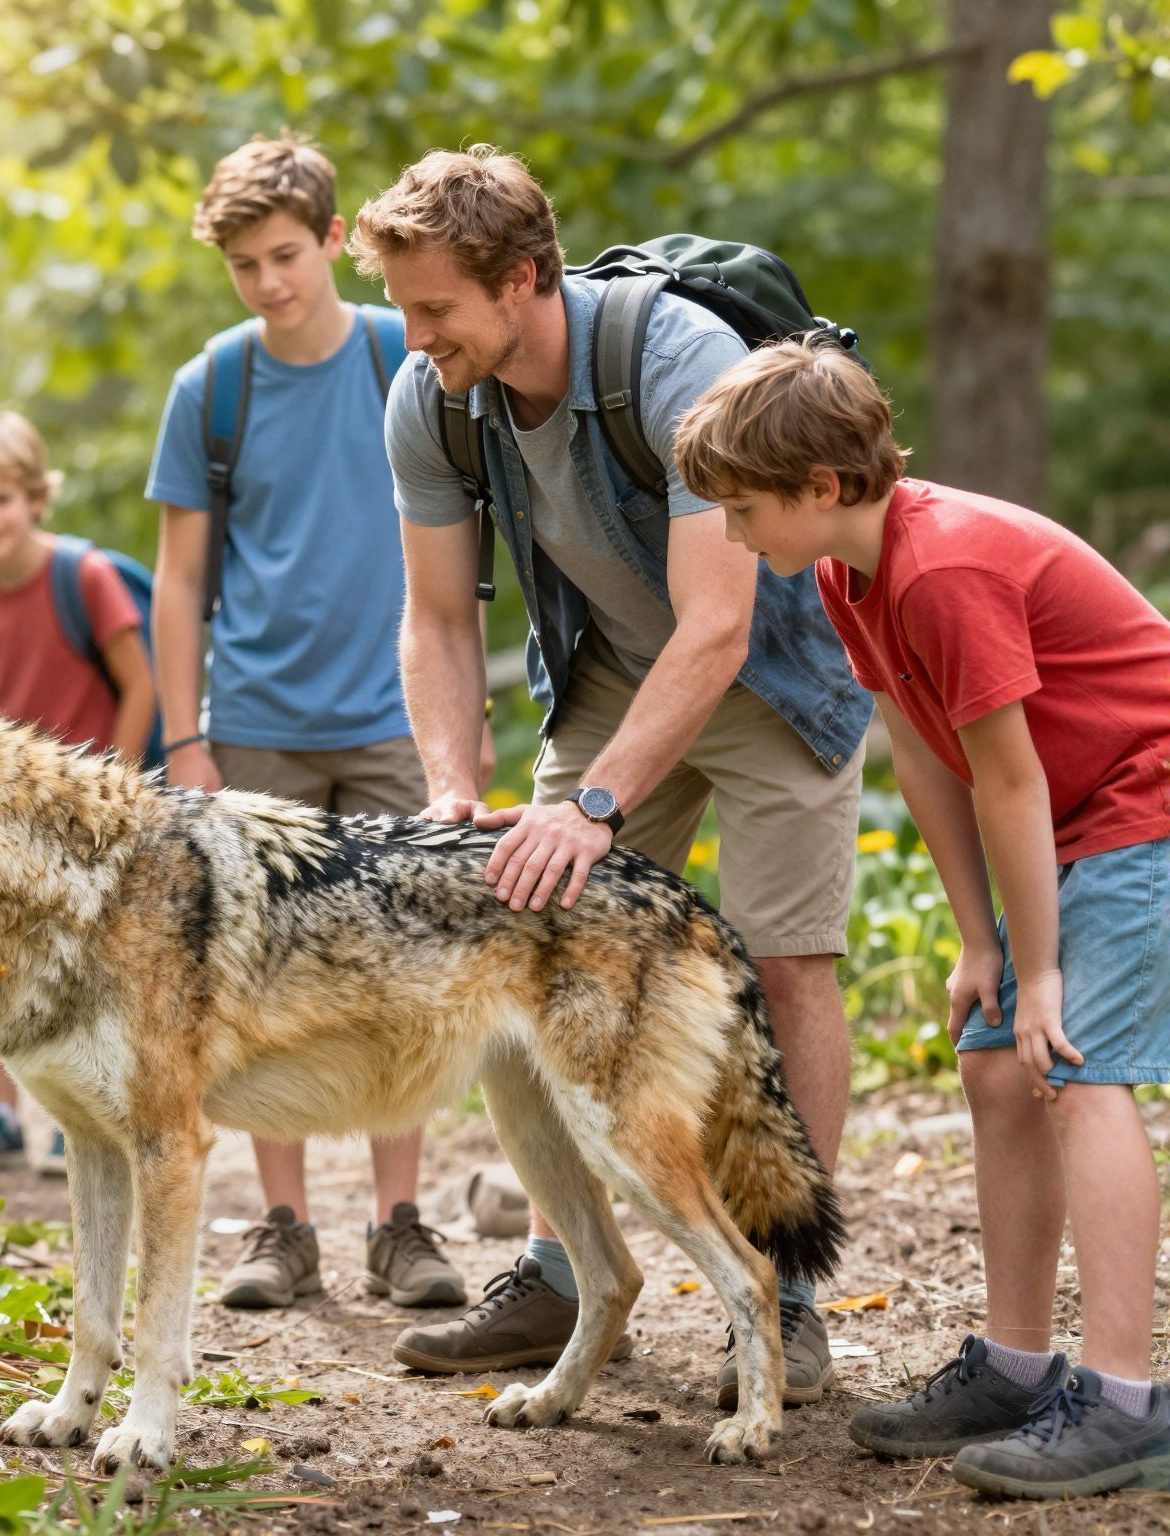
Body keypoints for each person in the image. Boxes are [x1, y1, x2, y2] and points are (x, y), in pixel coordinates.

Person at [350, 147, 870, 1397]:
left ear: (522, 279)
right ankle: (560, 1273)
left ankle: (788, 1298)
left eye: (434, 310)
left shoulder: (676, 354)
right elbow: (432, 618)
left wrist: (594, 808)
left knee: (781, 958)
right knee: (518, 940)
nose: (412, 336)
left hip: (766, 674)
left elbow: (718, 626)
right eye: (402, 307)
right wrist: (446, 785)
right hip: (605, 675)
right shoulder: (431, 397)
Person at [675, 338, 1170, 1499]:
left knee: (1075, 1071)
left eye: (744, 510)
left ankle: (1125, 1401)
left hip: (1139, 796)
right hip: (1064, 811)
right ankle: (1013, 1365)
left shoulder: (944, 567)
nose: (734, 536)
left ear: (822, 487)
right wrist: (981, 942)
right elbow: (930, 761)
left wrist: (1040, 973)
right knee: (993, 1071)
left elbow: (1007, 775)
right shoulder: (849, 574)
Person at [146, 133, 467, 1312]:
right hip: (257, 725)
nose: (268, 281)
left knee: (404, 971)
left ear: (335, 239)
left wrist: (460, 729)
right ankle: (280, 1228)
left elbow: (466, 545)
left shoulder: (406, 356)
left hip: (394, 715)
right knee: (255, 978)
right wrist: (185, 738)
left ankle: (400, 1224)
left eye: (285, 254)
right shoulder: (211, 388)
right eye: (243, 264)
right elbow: (178, 582)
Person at [0, 409, 156, 1175]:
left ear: (36, 495)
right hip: (4, 810)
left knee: (92, 964)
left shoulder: (84, 577)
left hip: (88, 807)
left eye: (1, 499)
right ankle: (2, 1115)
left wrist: (116, 793)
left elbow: (140, 684)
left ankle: (78, 1116)